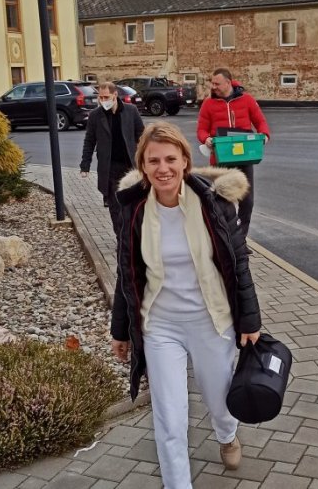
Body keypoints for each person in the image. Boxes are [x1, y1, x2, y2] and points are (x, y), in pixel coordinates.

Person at [111, 121, 262, 488]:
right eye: (153, 160)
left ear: (184, 161)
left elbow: (237, 262)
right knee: (169, 415)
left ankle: (227, 434)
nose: (162, 168)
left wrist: (250, 319)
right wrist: (120, 330)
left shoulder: (212, 202)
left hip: (211, 321)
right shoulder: (134, 209)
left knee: (219, 399)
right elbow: (126, 270)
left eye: (170, 159)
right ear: (143, 166)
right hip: (160, 325)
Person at [197, 68, 270, 240]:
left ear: (228, 83)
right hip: (220, 159)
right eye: (212, 83)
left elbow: (260, 121)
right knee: (222, 200)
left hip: (244, 157)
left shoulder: (247, 100)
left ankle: (240, 239)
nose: (213, 86)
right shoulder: (208, 104)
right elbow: (201, 129)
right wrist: (206, 138)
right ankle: (224, 237)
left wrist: (265, 135)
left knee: (247, 201)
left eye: (217, 83)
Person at [80, 81, 144, 236]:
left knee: (134, 204)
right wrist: (85, 165)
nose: (103, 100)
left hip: (130, 166)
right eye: (100, 97)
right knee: (116, 209)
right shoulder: (96, 115)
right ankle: (121, 239)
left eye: (106, 97)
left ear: (115, 95)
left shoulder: (131, 111)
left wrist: (147, 161)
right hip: (110, 169)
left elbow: (142, 136)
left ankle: (135, 236)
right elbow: (89, 140)